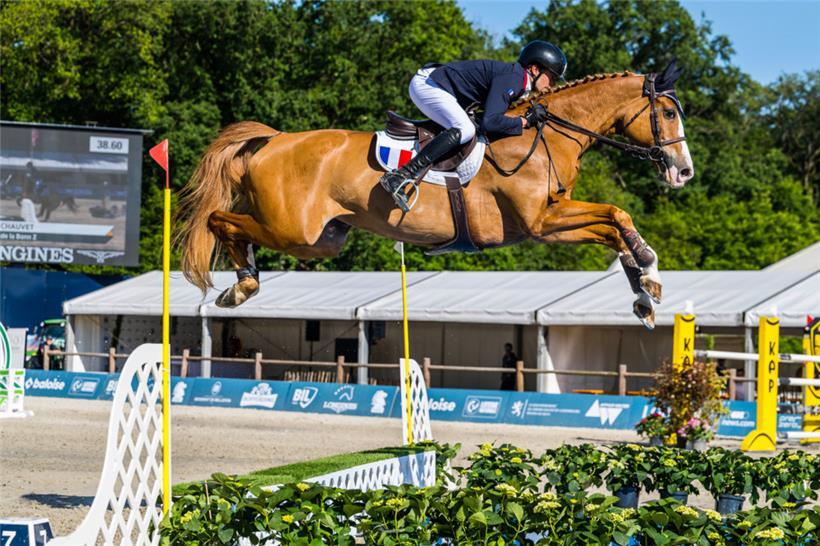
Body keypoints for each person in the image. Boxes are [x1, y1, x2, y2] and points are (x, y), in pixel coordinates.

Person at [380, 40, 568, 212]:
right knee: (465, 129)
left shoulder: (519, 82)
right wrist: (524, 122)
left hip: (443, 87)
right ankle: (401, 175)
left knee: (468, 126)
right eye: (551, 77)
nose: (551, 85)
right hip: (428, 85)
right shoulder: (513, 78)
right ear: (535, 69)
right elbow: (490, 121)